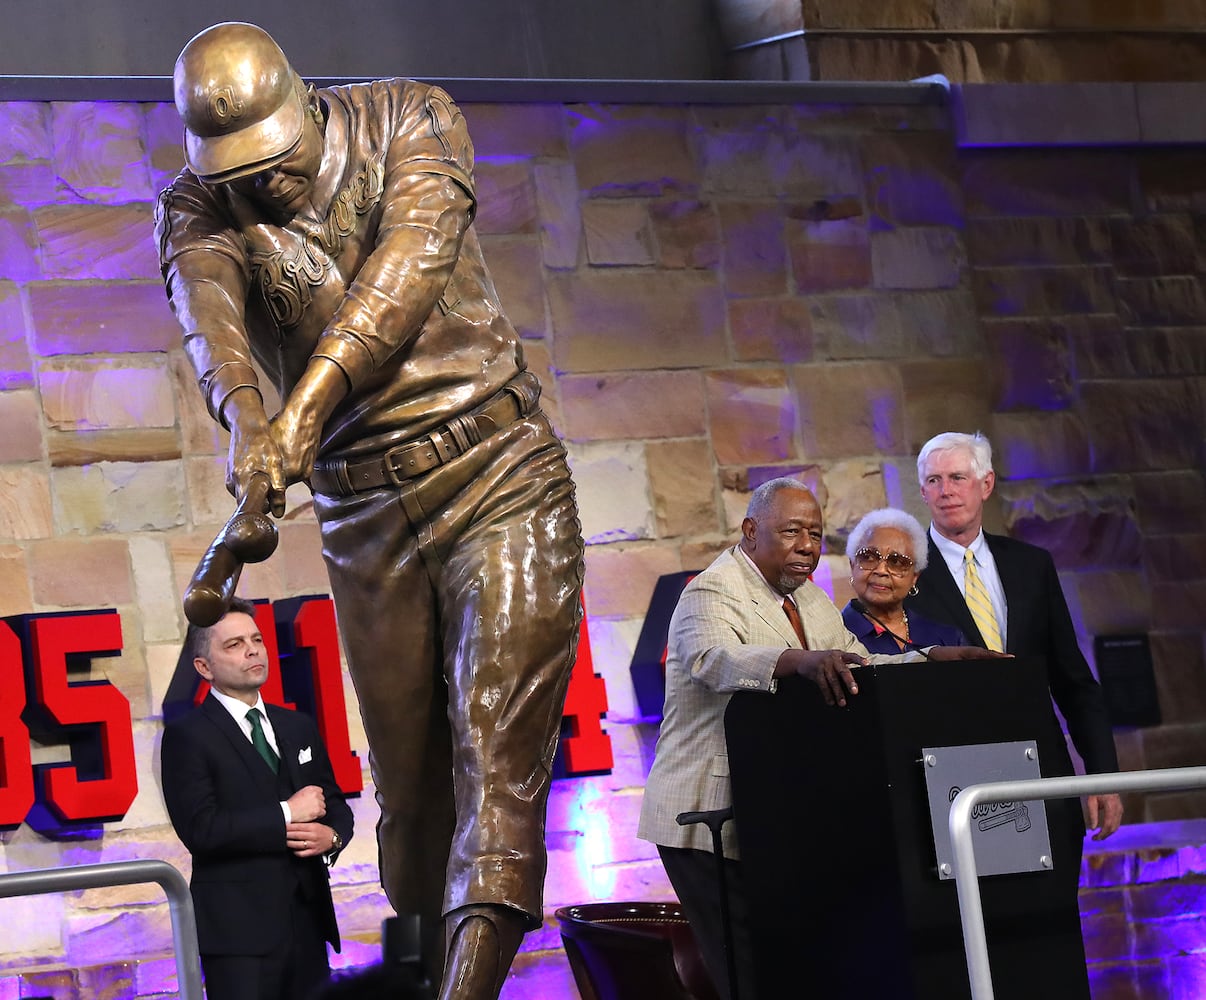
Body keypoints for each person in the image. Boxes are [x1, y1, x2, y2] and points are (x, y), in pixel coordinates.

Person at [155, 22, 585, 1000]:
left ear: (305, 105)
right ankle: (433, 967)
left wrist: (299, 414)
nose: (262, 185)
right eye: (239, 171)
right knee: (413, 798)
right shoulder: (195, 204)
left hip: (493, 465)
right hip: (360, 508)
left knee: (492, 744)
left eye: (274, 161)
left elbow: (406, 272)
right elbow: (210, 326)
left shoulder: (409, 118)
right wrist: (246, 432)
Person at [637, 477, 1002, 999]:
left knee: (794, 969)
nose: (808, 546)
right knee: (747, 971)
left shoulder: (808, 597)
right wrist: (798, 662)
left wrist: (930, 657)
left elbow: (859, 662)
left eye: (815, 533)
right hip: (707, 817)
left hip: (774, 815)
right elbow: (711, 660)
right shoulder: (711, 590)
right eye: (792, 532)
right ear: (750, 531)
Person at [906, 431, 1123, 843]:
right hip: (953, 780)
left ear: (985, 484)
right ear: (922, 491)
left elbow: (1072, 680)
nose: (946, 491)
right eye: (934, 481)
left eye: (957, 477)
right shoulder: (905, 575)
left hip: (1043, 771)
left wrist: (1101, 772)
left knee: (1056, 904)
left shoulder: (1031, 565)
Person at [160, 597, 355, 1000]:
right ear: (204, 667)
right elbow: (202, 829)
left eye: (256, 640)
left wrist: (331, 838)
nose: (252, 650)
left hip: (308, 923)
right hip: (239, 938)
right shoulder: (188, 736)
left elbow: (333, 803)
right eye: (233, 644)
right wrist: (287, 812)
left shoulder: (296, 725)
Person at [841, 507, 965, 654]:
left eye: (897, 562)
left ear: (915, 577)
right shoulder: (833, 636)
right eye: (868, 557)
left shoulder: (948, 638)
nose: (881, 570)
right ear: (852, 565)